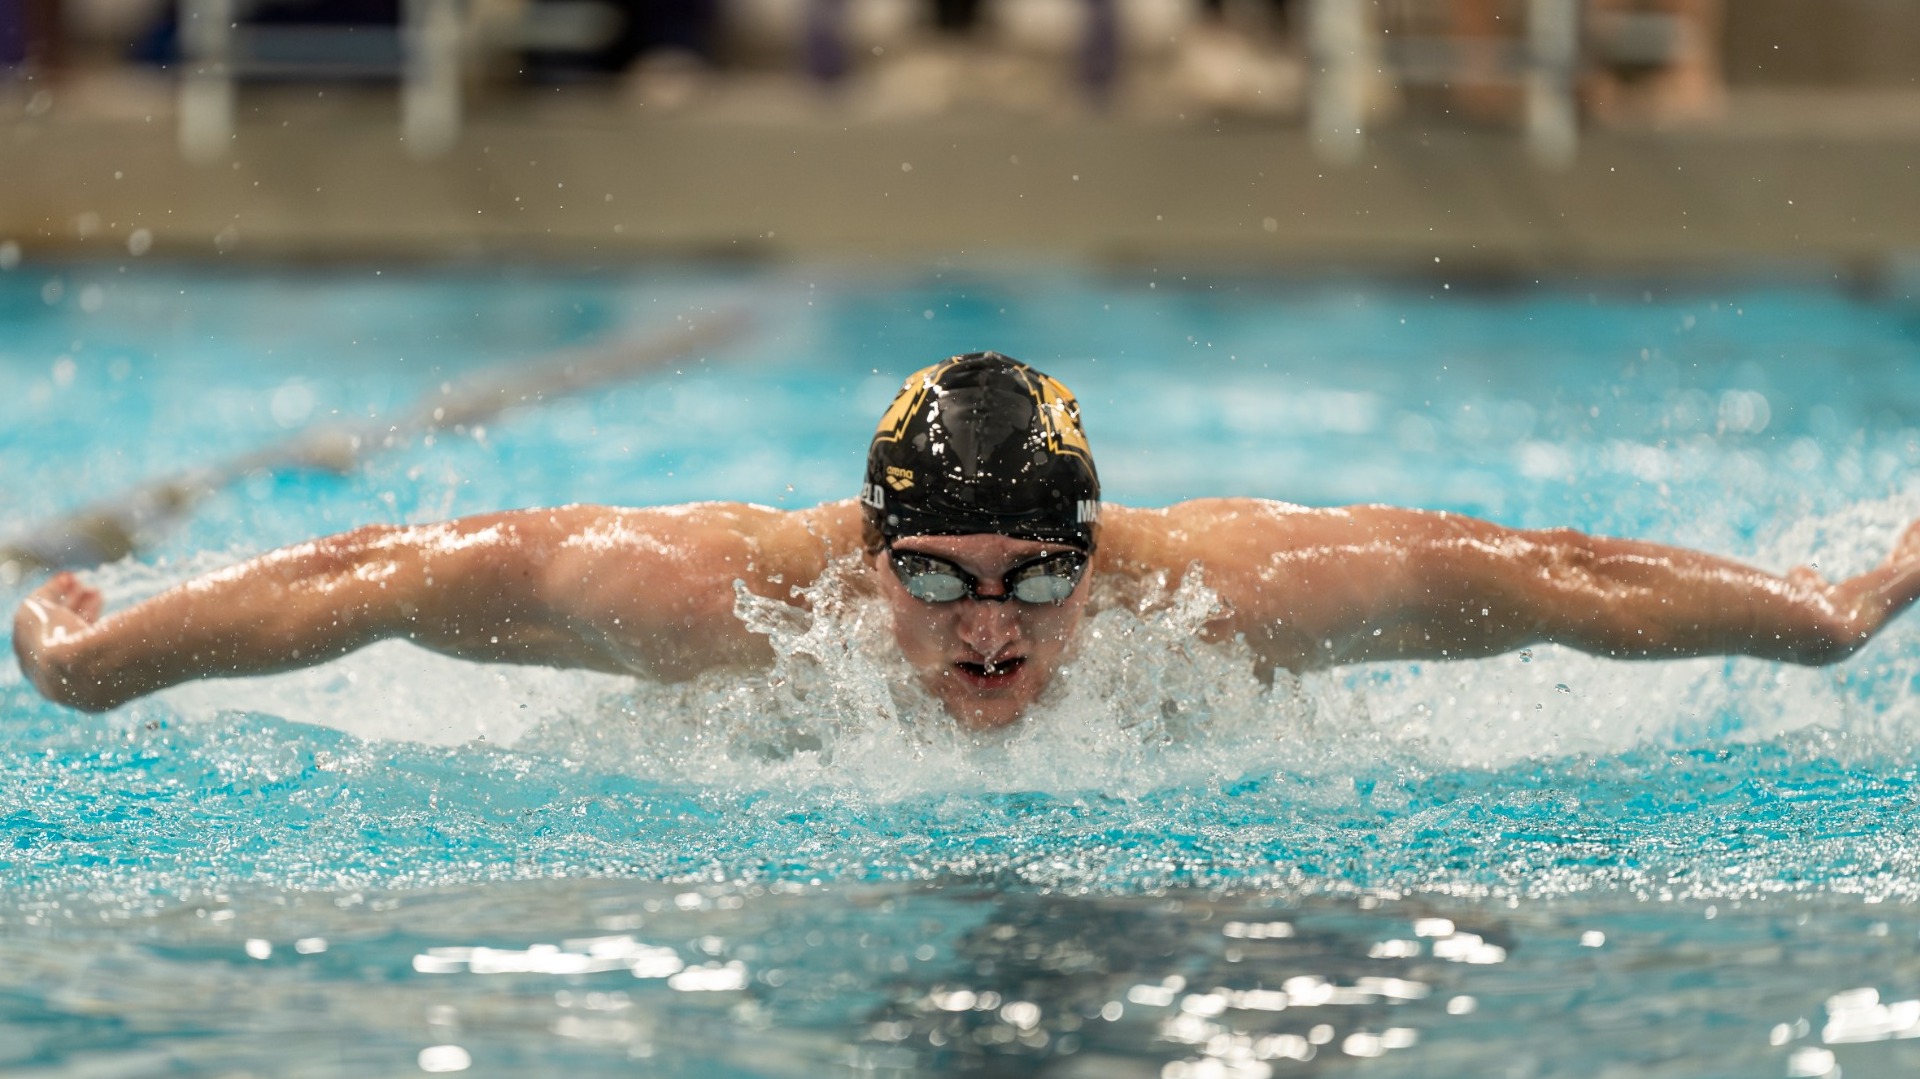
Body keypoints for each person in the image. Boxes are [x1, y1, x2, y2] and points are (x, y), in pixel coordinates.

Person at [14, 352, 1920, 731]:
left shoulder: (1227, 592)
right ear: (867, 555)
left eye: (1036, 581)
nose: (987, 633)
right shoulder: (718, 598)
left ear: (1101, 556)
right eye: (932, 578)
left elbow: (1558, 579)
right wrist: (99, 654)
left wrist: (1824, 614)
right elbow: (380, 579)